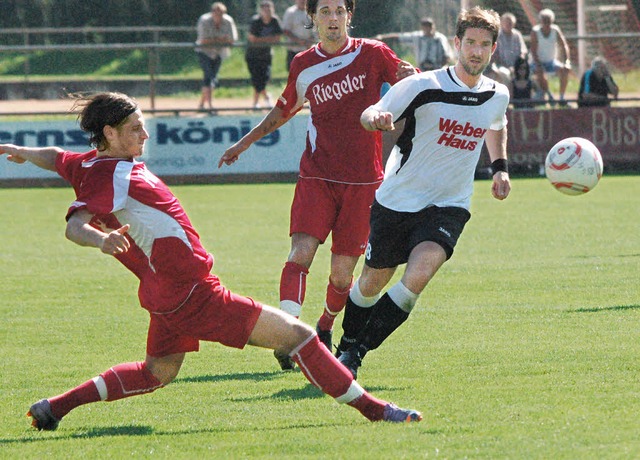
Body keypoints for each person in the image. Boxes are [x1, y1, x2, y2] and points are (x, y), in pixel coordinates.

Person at [1, 92, 421, 431]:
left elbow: (57, 156)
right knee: (300, 336)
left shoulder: (93, 161)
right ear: (110, 133)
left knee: (156, 373)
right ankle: (374, 410)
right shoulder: (110, 175)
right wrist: (99, 239)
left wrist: (22, 150)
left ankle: (53, 408)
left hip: (165, 293)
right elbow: (75, 225)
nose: (145, 134)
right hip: (194, 294)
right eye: (135, 128)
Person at [218, 0, 417, 371]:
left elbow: (413, 85)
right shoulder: (303, 64)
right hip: (317, 175)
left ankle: (324, 328)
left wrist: (409, 76)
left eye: (339, 10)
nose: (332, 18)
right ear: (312, 18)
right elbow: (283, 109)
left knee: (342, 275)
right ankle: (287, 335)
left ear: (349, 16)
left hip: (363, 182)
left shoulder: (374, 53)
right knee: (300, 255)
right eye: (324, 11)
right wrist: (244, 143)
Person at [335, 6, 512, 379]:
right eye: (470, 43)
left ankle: (358, 352)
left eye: (484, 45)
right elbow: (372, 112)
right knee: (372, 281)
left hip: (449, 204)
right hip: (398, 200)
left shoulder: (498, 94)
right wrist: (377, 121)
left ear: (493, 49)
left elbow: (496, 125)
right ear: (456, 44)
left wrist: (499, 169)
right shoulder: (423, 86)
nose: (476, 52)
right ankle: (346, 343)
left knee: (417, 277)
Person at [195, 2, 238, 112]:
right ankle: (210, 105)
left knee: (211, 78)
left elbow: (232, 39)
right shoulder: (204, 20)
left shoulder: (228, 21)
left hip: (218, 53)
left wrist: (215, 40)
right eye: (216, 13)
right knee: (209, 77)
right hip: (204, 52)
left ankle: (201, 104)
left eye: (221, 14)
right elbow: (203, 40)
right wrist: (221, 39)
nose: (218, 16)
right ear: (212, 13)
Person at [376, 16, 453, 72]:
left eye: (429, 26)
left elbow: (447, 56)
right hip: (422, 69)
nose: (428, 29)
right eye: (425, 26)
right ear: (422, 27)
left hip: (437, 70)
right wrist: (382, 37)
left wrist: (439, 67)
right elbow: (400, 37)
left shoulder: (440, 38)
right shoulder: (417, 37)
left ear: (433, 26)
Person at [246, 0, 283, 109]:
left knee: (264, 78)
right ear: (260, 11)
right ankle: (261, 100)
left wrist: (262, 40)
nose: (267, 11)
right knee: (256, 79)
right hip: (252, 55)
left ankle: (261, 101)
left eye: (269, 8)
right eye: (264, 9)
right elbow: (252, 39)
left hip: (266, 54)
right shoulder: (255, 21)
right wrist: (269, 39)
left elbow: (278, 38)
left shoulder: (275, 20)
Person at [529, 8, 571, 105]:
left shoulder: (555, 30)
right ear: (541, 21)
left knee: (565, 70)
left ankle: (561, 98)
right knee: (540, 72)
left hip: (551, 62)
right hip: (536, 62)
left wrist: (567, 62)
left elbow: (564, 45)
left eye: (549, 21)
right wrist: (539, 64)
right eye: (545, 21)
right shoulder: (535, 32)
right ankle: (550, 96)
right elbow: (533, 51)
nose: (547, 24)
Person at [486, 12, 528, 88]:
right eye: (507, 23)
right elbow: (495, 55)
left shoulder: (517, 35)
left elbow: (523, 51)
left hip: (517, 65)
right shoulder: (497, 35)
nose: (509, 25)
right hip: (501, 66)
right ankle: (508, 97)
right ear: (502, 23)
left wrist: (518, 64)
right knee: (505, 74)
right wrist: (508, 67)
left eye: (511, 23)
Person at [282, 0, 316, 71]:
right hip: (294, 51)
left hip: (308, 50)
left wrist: (311, 40)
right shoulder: (290, 12)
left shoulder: (311, 12)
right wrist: (298, 40)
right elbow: (286, 30)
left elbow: (315, 30)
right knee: (294, 76)